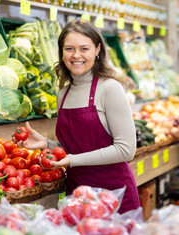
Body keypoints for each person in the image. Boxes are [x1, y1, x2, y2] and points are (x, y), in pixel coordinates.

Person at [13, 19, 140, 214]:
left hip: (114, 194)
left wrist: (72, 160)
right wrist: (49, 145)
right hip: (77, 195)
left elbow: (126, 150)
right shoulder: (63, 94)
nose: (76, 55)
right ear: (62, 52)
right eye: (69, 49)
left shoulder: (110, 88)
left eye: (84, 48)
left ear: (97, 49)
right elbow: (79, 148)